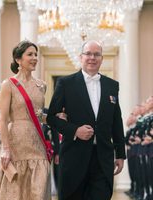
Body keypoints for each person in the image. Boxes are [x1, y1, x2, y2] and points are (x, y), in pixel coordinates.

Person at [47, 40, 126, 200]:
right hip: (74, 156)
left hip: (103, 158)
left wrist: (120, 153)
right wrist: (75, 130)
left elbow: (116, 121)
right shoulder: (65, 83)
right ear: (80, 57)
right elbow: (51, 118)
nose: (92, 57)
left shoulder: (112, 85)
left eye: (97, 54)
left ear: (102, 59)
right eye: (88, 53)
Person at [0, 40, 51, 200]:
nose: (34, 58)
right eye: (30, 54)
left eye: (36, 55)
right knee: (15, 190)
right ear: (18, 60)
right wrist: (5, 149)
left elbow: (39, 117)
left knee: (38, 186)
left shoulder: (41, 85)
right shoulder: (8, 85)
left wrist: (57, 119)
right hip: (16, 143)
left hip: (37, 142)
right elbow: (3, 120)